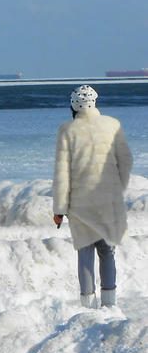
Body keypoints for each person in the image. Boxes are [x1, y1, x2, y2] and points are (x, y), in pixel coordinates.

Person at [53, 85, 133, 308]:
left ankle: (87, 307)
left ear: (73, 105)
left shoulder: (67, 131)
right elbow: (125, 163)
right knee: (107, 252)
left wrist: (59, 209)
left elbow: (62, 175)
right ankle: (110, 305)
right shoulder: (112, 125)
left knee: (85, 252)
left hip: (79, 204)